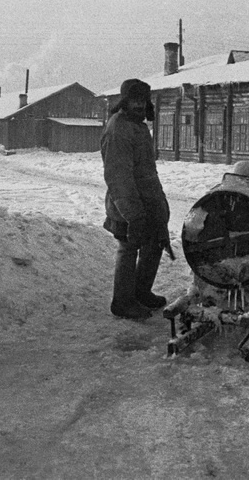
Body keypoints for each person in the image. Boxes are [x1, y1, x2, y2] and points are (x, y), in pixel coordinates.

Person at [101, 79, 170, 320]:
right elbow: (118, 175)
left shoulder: (138, 126)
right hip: (127, 202)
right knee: (129, 247)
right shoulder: (118, 128)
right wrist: (133, 214)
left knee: (153, 242)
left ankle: (141, 292)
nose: (140, 105)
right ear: (124, 101)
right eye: (135, 100)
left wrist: (158, 204)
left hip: (147, 199)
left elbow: (146, 171)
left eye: (143, 100)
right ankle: (122, 301)